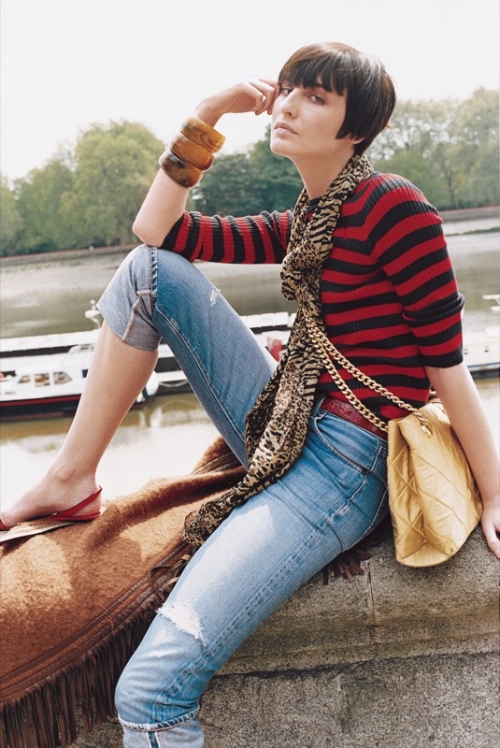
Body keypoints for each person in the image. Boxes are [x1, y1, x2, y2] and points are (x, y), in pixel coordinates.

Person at [1, 42, 499, 746]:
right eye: (288, 89)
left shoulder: (394, 206)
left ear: (356, 129)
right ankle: (71, 477)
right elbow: (155, 233)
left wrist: (495, 493)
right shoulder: (306, 222)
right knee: (149, 272)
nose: (288, 105)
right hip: (290, 419)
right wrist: (207, 114)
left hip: (345, 465)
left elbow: (448, 369)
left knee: (150, 693)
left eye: (316, 97)